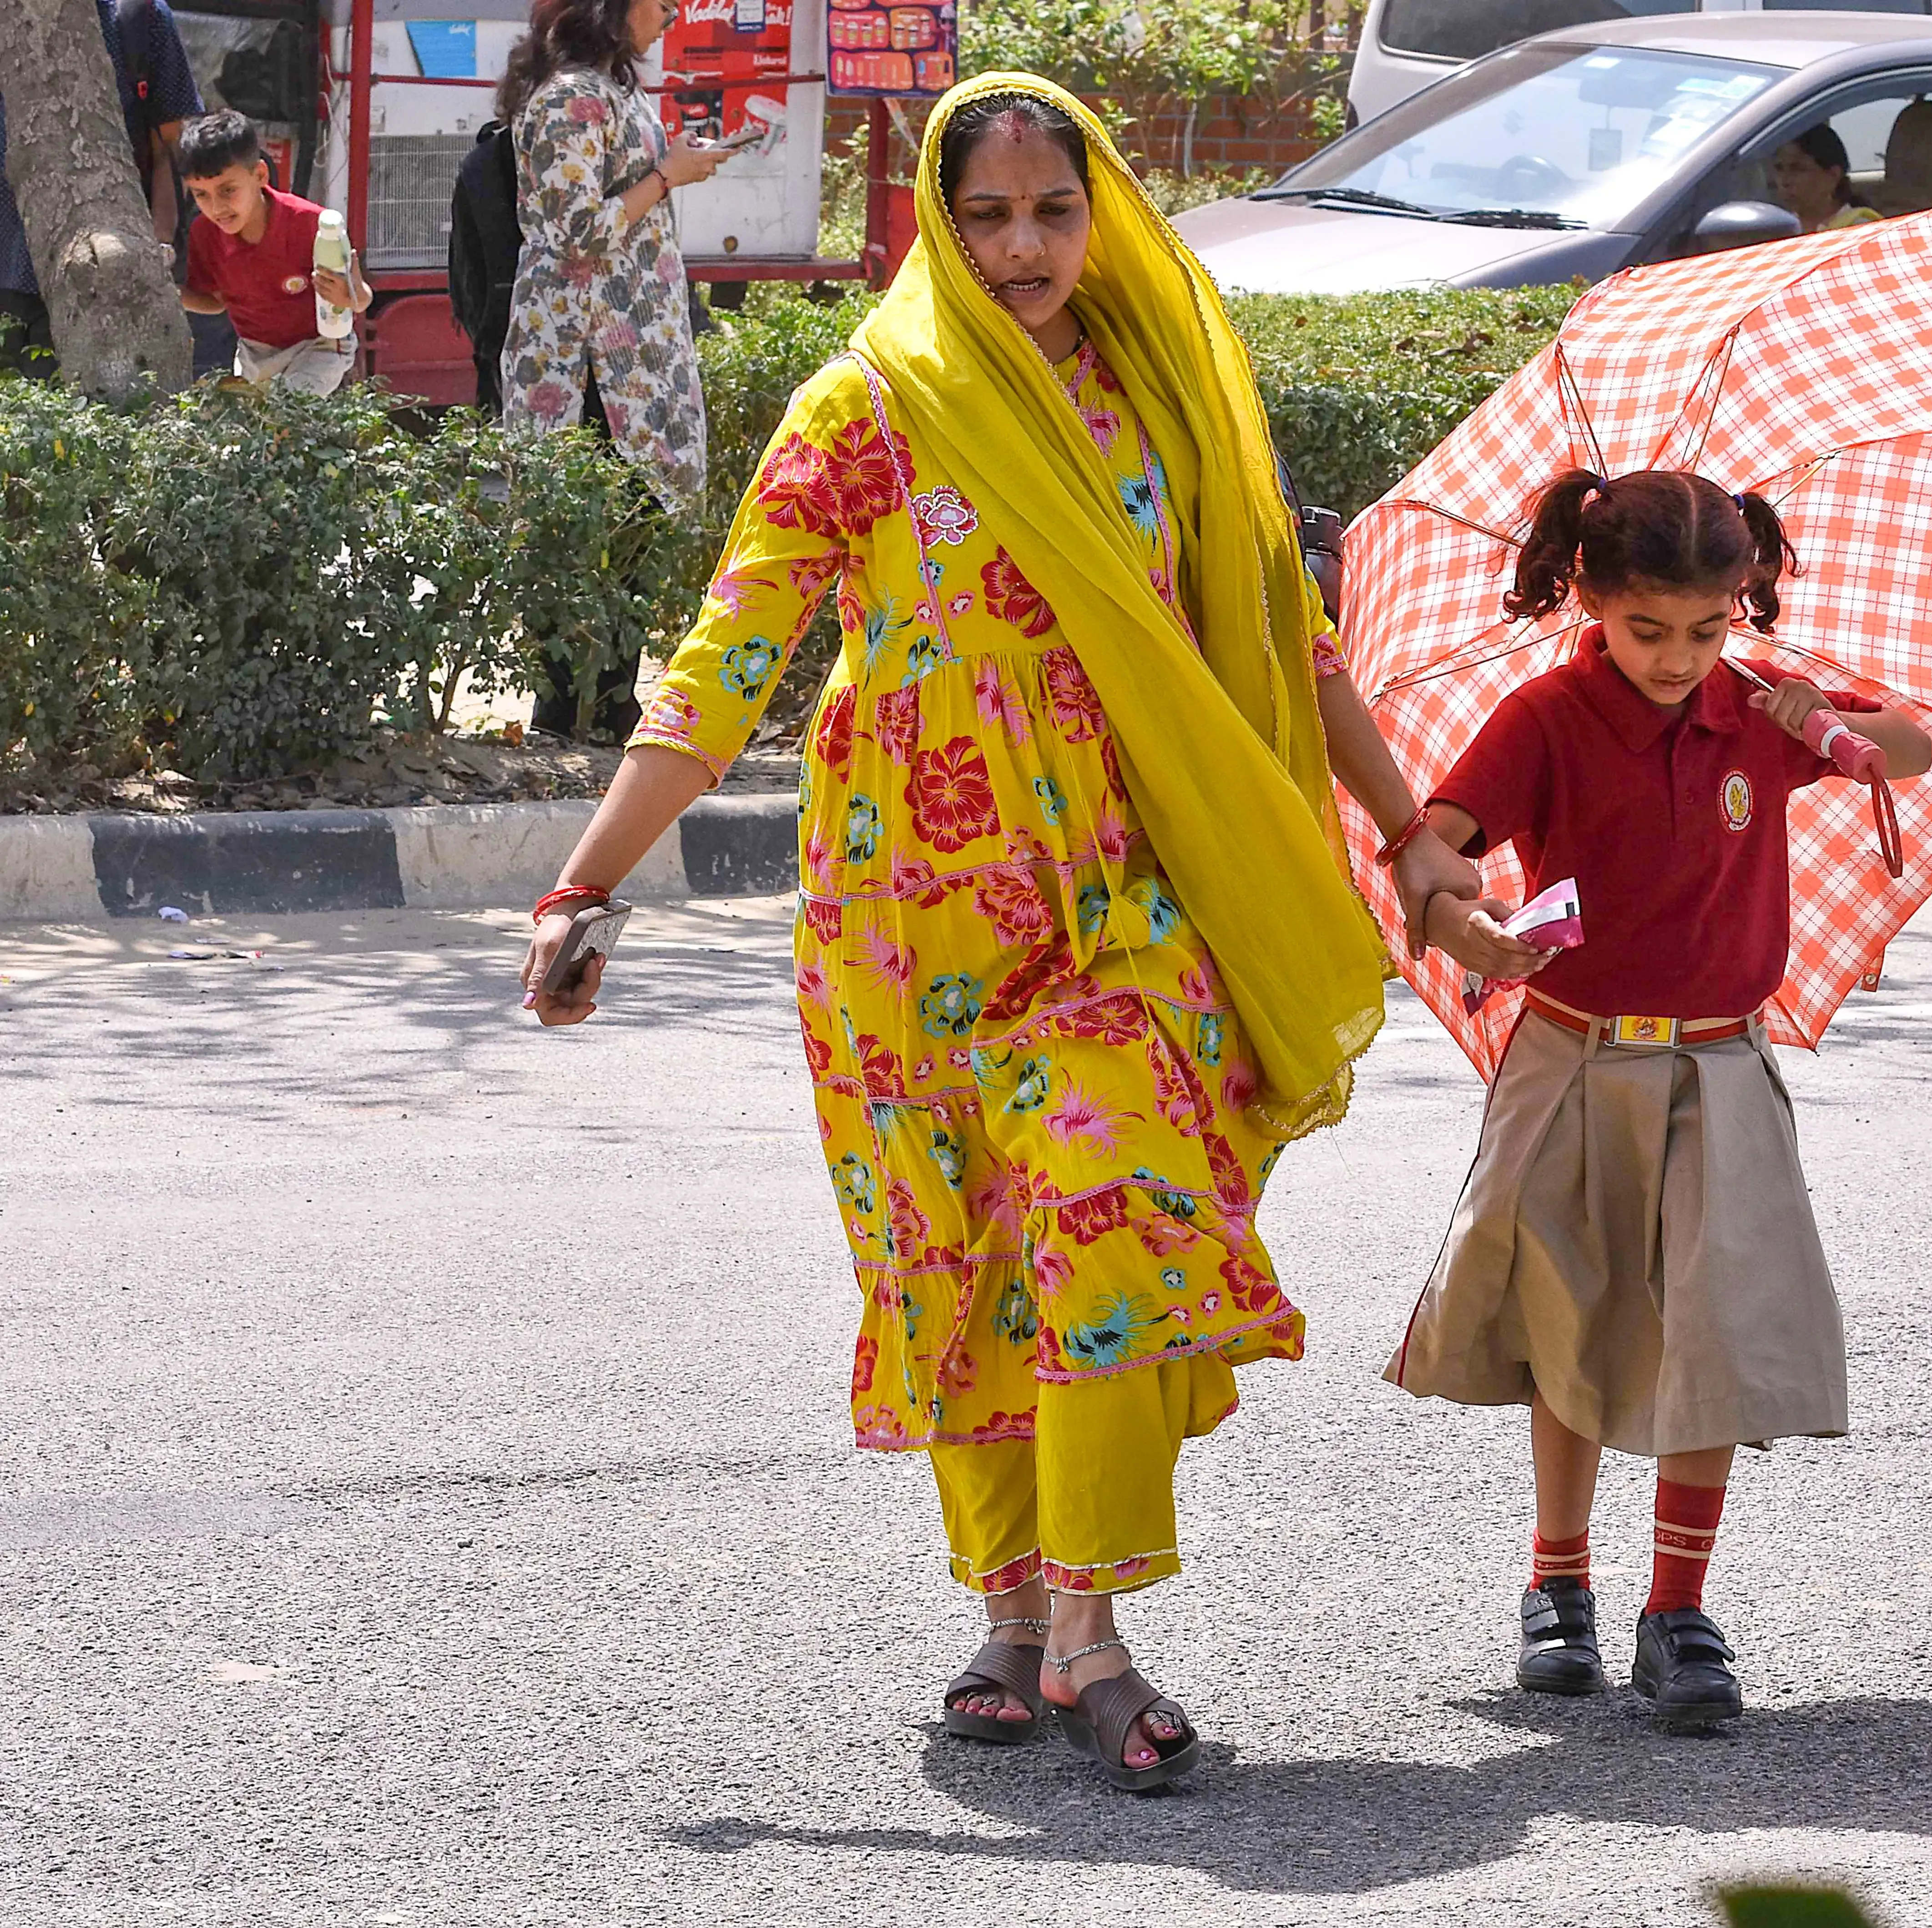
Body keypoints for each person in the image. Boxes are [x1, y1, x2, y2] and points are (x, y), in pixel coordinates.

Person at [515, 75, 1511, 1791]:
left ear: (1101, 212)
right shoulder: (867, 406)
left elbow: (1286, 638)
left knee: (1111, 1221)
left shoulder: (1164, 401)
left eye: (1054, 210)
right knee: (956, 1260)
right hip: (900, 926)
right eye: (986, 216)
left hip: (1120, 908)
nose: (1024, 247)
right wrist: (586, 883)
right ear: (936, 219)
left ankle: (1089, 1631)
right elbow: (728, 659)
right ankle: (1006, 1604)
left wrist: (1412, 833)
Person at [1387, 467, 1932, 1733]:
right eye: (1648, 629)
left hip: (1722, 1063)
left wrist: (1825, 718)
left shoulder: (1758, 707)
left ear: (1743, 601)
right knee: (1568, 1318)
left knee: (1718, 1331)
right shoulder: (1546, 715)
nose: (1680, 658)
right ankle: (1559, 1582)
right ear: (1586, 595)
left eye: (1708, 626)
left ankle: (1677, 1608)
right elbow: (1435, 843)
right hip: (1572, 1055)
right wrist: (1466, 919)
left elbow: (1906, 747)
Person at [495, 0, 730, 732]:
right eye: (660, 4)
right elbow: (577, 233)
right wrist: (667, 175)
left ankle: (608, 698)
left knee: (634, 516)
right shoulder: (572, 97)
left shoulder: (609, 89)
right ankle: (569, 703)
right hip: (585, 352)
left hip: (629, 344)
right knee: (581, 521)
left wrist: (672, 168)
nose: (672, 15)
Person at [0, 0, 202, 378]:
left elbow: (170, 146)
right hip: (8, 260)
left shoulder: (139, 17)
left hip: (95, 279)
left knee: (83, 409)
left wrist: (156, 247)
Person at [176, 111, 368, 394]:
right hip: (255, 353)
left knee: (287, 413)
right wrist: (170, 294)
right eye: (201, 195)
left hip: (319, 347)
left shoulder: (312, 225)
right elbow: (216, 302)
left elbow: (361, 299)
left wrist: (350, 296)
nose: (216, 208)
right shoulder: (204, 234)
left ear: (260, 175)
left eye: (228, 191)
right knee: (250, 419)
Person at [1768, 123, 1879, 236]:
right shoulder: (1777, 231)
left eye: (1798, 169)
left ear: (1833, 176)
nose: (1785, 181)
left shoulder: (1861, 231)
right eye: (1779, 168)